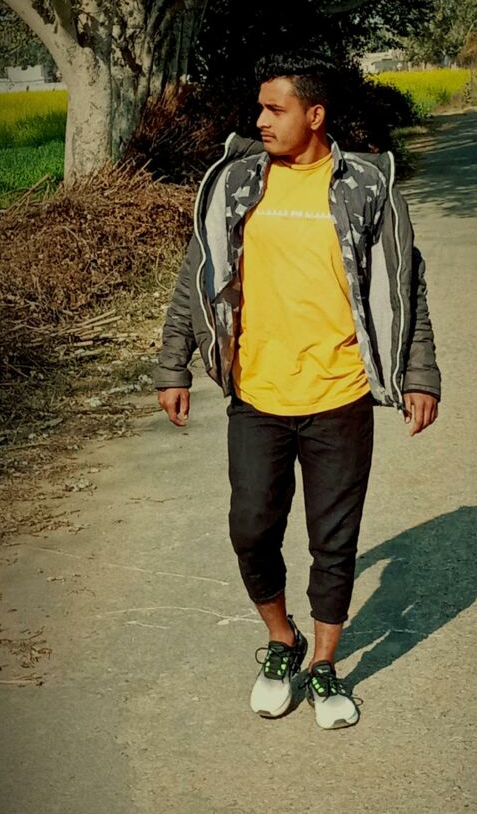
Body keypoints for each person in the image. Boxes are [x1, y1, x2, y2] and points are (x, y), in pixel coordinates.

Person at [154, 53, 441, 730]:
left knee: (332, 542)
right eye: (259, 108)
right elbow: (196, 274)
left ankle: (325, 664)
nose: (261, 120)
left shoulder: (366, 186)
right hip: (257, 394)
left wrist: (420, 374)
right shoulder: (235, 181)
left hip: (340, 395)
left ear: (314, 115)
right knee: (251, 529)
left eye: (274, 109)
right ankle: (283, 640)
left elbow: (406, 285)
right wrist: (172, 365)